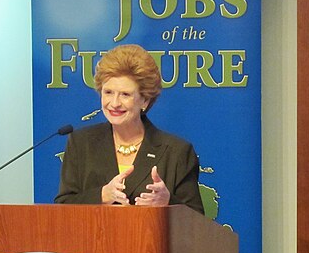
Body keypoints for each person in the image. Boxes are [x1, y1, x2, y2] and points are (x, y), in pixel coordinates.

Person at [55, 44, 204, 214]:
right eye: (108, 92)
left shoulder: (176, 152)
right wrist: (102, 195)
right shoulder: (81, 143)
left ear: (144, 101)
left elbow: (197, 221)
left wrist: (168, 201)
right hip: (92, 240)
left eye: (125, 94)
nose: (115, 103)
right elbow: (63, 207)